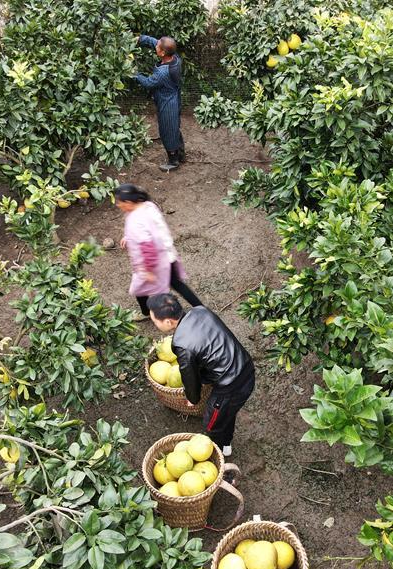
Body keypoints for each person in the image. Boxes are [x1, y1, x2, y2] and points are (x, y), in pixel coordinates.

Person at [147, 293, 255, 456]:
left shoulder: (182, 344)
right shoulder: (200, 311)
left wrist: (192, 398)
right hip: (244, 364)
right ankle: (226, 443)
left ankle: (219, 452)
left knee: (212, 424)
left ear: (168, 321)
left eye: (155, 321)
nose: (154, 324)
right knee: (227, 412)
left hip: (231, 386)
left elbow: (189, 376)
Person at [115, 183, 202, 319]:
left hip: (155, 264)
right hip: (168, 255)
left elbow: (148, 248)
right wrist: (129, 237)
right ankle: (201, 308)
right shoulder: (148, 205)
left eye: (119, 202)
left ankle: (157, 314)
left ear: (128, 202)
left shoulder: (135, 220)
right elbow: (151, 228)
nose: (117, 205)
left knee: (142, 290)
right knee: (177, 284)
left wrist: (148, 270)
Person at [134, 35, 185, 171]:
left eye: (158, 46)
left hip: (168, 103)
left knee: (167, 130)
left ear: (162, 53)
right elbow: (156, 42)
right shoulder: (175, 58)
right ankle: (180, 154)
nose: (155, 45)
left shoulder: (163, 73)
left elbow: (148, 83)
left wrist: (135, 74)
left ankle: (173, 161)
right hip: (174, 97)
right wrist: (141, 39)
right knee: (174, 127)